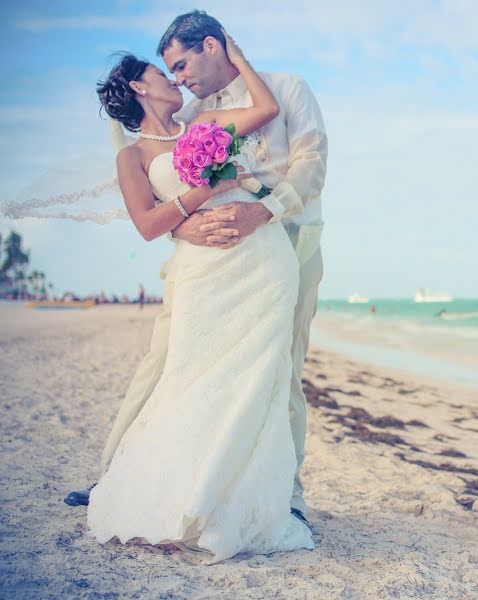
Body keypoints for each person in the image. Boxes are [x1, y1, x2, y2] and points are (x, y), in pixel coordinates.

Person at [66, 10, 327, 537]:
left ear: (214, 46)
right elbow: (157, 197)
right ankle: (117, 474)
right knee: (165, 360)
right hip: (206, 259)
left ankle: (288, 496)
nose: (179, 79)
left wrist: (264, 210)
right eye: (169, 72)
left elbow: (312, 164)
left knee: (280, 368)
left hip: (286, 240)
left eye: (182, 65)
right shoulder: (193, 116)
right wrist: (184, 230)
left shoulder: (285, 89)